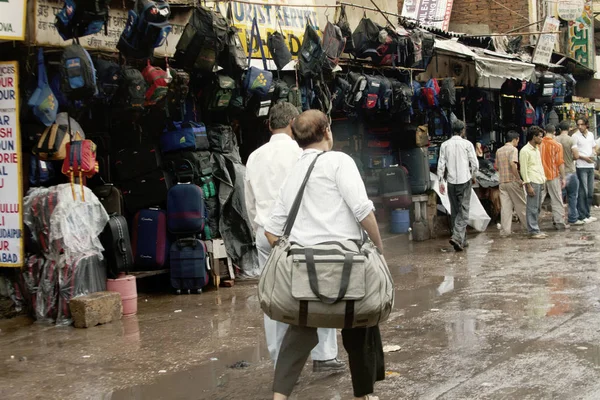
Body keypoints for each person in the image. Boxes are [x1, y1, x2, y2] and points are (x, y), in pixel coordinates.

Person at [264, 110, 385, 400]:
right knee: (360, 322)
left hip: (305, 266)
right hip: (347, 263)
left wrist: (289, 252)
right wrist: (379, 249)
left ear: (297, 137)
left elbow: (271, 231)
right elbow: (362, 211)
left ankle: (279, 397)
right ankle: (365, 394)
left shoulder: (295, 171)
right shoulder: (339, 161)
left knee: (300, 329)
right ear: (328, 131)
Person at [244, 103, 344, 372]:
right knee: (318, 292)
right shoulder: (302, 152)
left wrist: (261, 227)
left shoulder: (254, 157)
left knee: (274, 299)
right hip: (301, 235)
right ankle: (324, 357)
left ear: (269, 125)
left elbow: (249, 203)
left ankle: (281, 362)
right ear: (294, 124)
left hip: (266, 234)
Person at [437, 120, 479, 251]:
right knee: (464, 211)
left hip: (451, 182)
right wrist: (473, 176)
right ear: (463, 130)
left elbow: (441, 165)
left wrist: (440, 182)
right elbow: (475, 163)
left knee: (455, 211)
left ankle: (462, 240)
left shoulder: (444, 145)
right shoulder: (467, 144)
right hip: (464, 180)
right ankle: (457, 237)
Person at [495, 130, 527, 237]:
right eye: (517, 140)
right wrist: (518, 179)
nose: (518, 143)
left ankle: (505, 232)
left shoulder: (499, 151)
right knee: (521, 205)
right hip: (512, 181)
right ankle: (529, 227)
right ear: (514, 139)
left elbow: (496, 166)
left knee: (505, 208)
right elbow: (513, 164)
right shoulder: (513, 150)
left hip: (502, 182)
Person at [519, 126, 547, 239]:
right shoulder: (525, 151)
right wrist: (528, 185)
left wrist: (543, 179)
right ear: (533, 137)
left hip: (539, 180)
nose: (541, 139)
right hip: (532, 181)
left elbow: (539, 166)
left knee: (537, 207)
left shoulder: (536, 149)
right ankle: (533, 230)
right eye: (539, 136)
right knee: (532, 207)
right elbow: (523, 169)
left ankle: (535, 228)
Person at [539, 124, 567, 229]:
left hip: (540, 176)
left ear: (544, 132)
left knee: (538, 200)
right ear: (555, 132)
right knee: (556, 199)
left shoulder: (538, 144)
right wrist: (563, 177)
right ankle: (559, 222)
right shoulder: (557, 145)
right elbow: (560, 163)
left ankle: (532, 222)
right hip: (553, 175)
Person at [555, 120, 582, 226]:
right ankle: (572, 218)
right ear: (569, 129)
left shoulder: (555, 140)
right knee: (572, 196)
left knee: (558, 197)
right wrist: (570, 158)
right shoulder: (571, 140)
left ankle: (557, 219)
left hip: (558, 173)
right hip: (570, 171)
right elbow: (576, 155)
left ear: (560, 129)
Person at [572, 117, 597, 223]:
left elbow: (594, 147)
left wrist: (593, 154)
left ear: (586, 125)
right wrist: (585, 158)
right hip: (581, 166)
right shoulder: (575, 136)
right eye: (578, 124)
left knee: (590, 191)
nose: (579, 127)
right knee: (583, 191)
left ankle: (587, 213)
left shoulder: (591, 135)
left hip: (590, 166)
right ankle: (581, 215)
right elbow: (575, 153)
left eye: (582, 124)